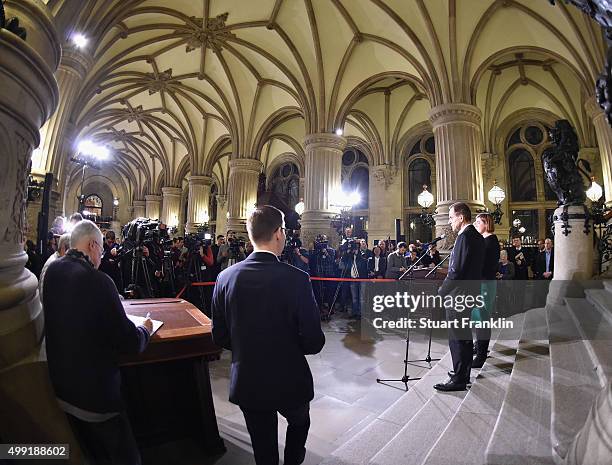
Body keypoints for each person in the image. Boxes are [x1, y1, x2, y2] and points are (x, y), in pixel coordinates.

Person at [211, 206, 325, 465]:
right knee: (300, 423)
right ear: (278, 233)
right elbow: (313, 341)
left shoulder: (225, 277)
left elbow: (219, 335)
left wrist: (247, 346)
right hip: (290, 377)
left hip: (248, 378)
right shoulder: (297, 279)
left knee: (263, 449)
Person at [43, 220, 153, 465]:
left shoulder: (52, 271)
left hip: (61, 388)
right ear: (93, 245)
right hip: (96, 398)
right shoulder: (99, 281)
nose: (101, 257)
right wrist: (145, 329)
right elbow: (130, 343)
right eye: (101, 251)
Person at [434, 202, 484, 392]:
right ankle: (461, 372)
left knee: (457, 337)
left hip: (459, 296)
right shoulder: (477, 237)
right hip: (469, 293)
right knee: (463, 336)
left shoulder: (464, 237)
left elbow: (456, 271)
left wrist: (441, 292)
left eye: (451, 217)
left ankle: (459, 379)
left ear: (461, 217)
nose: (450, 221)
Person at [471, 213, 500, 368]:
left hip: (485, 284)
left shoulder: (490, 241)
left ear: (486, 224)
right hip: (482, 283)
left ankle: (481, 355)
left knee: (483, 319)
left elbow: (485, 266)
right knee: (478, 317)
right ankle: (479, 346)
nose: (476, 224)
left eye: (478, 222)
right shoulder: (485, 240)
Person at [39, 233, 71, 297]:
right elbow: (43, 292)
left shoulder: (60, 261)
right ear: (63, 248)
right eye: (71, 251)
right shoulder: (52, 264)